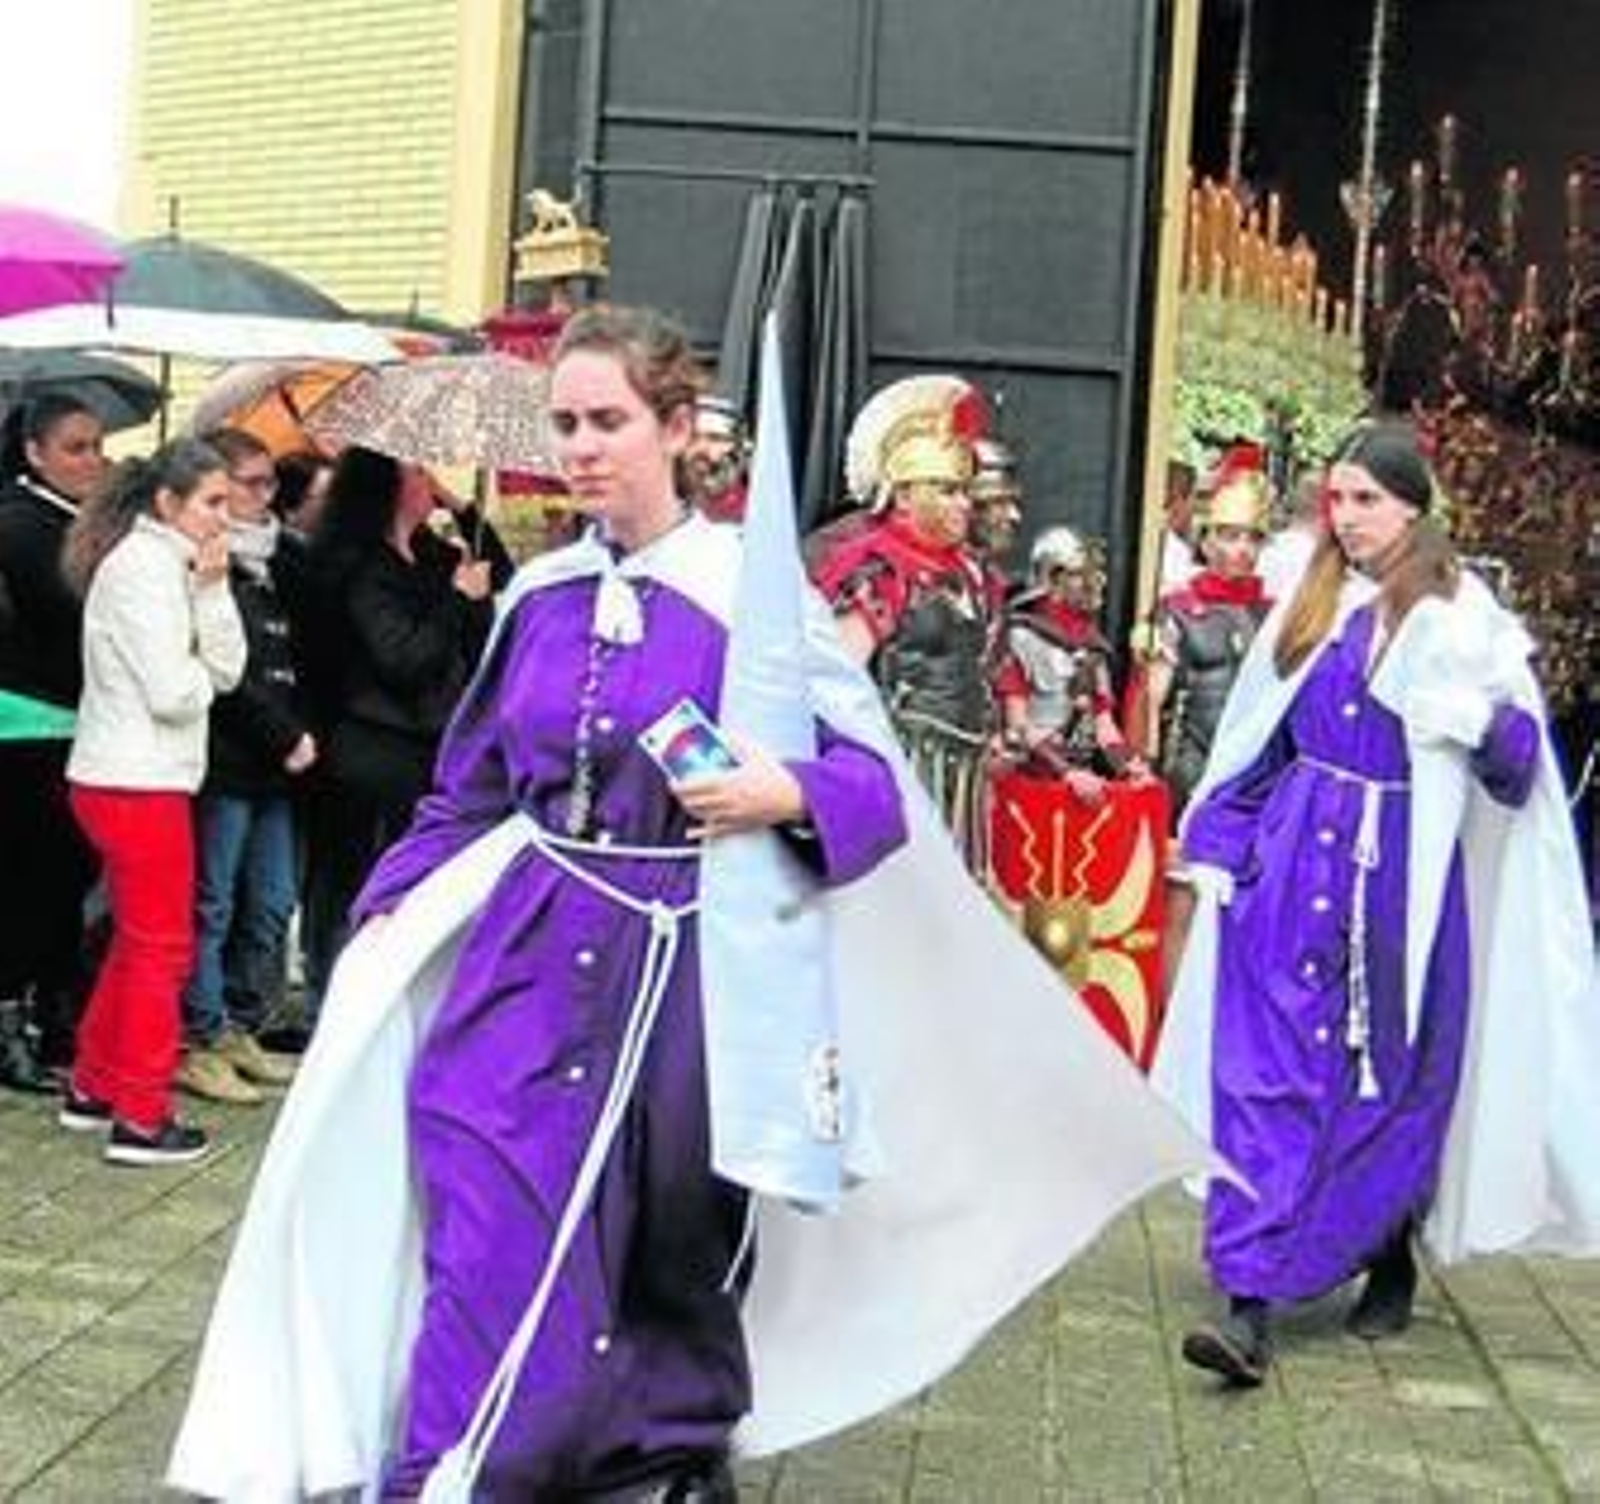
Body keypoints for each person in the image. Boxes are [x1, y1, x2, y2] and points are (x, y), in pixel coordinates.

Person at [169, 307, 1220, 1503]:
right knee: (488, 1227)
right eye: (565, 423)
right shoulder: (538, 596)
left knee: (672, 1243)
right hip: (526, 960)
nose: (580, 447)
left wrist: (787, 791)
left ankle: (659, 1452)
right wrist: (384, 926)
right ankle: (452, 1470)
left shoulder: (752, 597)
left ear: (675, 430)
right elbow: (468, 791)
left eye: (607, 420)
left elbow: (871, 787)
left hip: (693, 975)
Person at [1154, 420, 1600, 1387]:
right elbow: (1260, 743)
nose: (1349, 518)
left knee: (1387, 1084)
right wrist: (1220, 847)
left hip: (1401, 892)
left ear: (1413, 508)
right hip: (1288, 885)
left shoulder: (1465, 617)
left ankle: (1386, 1246)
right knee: (1264, 1082)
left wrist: (1476, 720)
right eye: (1338, 499)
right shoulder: (1310, 603)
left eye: (1369, 500)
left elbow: (1518, 774)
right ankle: (1248, 1306)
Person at [60, 439, 246, 1166]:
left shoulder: (175, 565)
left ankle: (95, 1084)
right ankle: (140, 1116)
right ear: (168, 503)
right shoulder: (142, 569)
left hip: (140, 775)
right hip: (134, 779)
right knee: (162, 948)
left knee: (140, 942)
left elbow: (226, 672)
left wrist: (212, 592)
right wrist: (200, 665)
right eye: (212, 502)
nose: (224, 516)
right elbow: (176, 693)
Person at [299, 447, 513, 1024]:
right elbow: (403, 659)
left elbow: (499, 571)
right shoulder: (359, 565)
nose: (429, 479)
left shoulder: (433, 554)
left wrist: (462, 508)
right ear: (386, 484)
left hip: (432, 738)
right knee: (353, 877)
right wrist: (456, 602)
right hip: (372, 741)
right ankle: (333, 998)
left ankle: (395, 999)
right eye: (417, 471)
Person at [175, 430, 311, 1104]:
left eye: (269, 482)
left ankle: (240, 1019)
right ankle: (202, 1033)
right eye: (251, 483)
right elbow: (224, 670)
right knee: (214, 901)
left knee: (273, 899)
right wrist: (282, 732)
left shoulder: (277, 556)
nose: (265, 496)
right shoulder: (202, 559)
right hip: (228, 758)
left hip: (278, 766)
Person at [811, 375, 995, 869]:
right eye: (947, 491)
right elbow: (835, 680)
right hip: (905, 763)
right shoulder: (879, 570)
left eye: (965, 491)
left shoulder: (967, 571)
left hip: (966, 769)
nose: (964, 504)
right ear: (905, 495)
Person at [0, 396, 107, 1090]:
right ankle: (11, 1022)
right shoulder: (20, 523)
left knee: (65, 882)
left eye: (97, 445)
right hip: (26, 727)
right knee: (28, 883)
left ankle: (50, 1012)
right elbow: (74, 609)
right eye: (76, 447)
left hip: (73, 723)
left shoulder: (71, 519)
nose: (93, 460)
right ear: (35, 452)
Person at [1132, 462, 1273, 815]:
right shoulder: (1177, 609)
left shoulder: (1274, 614)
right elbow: (1152, 703)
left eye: (1253, 538)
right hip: (1191, 768)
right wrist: (1144, 766)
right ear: (1207, 542)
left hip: (1257, 771)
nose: (1243, 548)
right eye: (1230, 536)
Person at [996, 525, 1135, 801]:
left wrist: (1129, 767)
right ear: (1054, 579)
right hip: (1028, 781)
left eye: (1096, 572)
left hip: (1079, 781)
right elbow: (1018, 725)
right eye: (1081, 573)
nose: (1095, 582)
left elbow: (1103, 725)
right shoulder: (1021, 638)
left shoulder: (1092, 645)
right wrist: (1066, 771)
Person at [683, 392, 751, 524]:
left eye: (715, 438)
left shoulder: (755, 513)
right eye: (693, 437)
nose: (701, 448)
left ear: (739, 448)